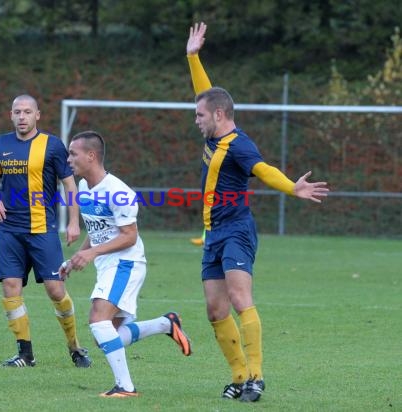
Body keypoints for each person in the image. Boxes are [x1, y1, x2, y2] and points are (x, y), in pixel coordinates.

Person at [186, 23, 330, 402]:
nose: (196, 119)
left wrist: (292, 187)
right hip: (213, 234)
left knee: (238, 298)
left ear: (217, 115)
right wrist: (193, 57)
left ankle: (256, 377)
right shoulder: (215, 132)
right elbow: (206, 93)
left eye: (200, 115)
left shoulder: (239, 145)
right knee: (215, 309)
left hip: (236, 230)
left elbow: (263, 170)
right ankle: (237, 376)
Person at [62, 130, 192, 398]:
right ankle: (166, 324)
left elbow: (129, 236)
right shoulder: (85, 188)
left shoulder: (119, 192)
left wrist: (93, 254)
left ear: (91, 155)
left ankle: (126, 387)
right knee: (109, 335)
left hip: (125, 263)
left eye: (73, 153)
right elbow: (98, 230)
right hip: (109, 264)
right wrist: (79, 256)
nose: (68, 159)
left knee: (98, 320)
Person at [0, 94, 91, 369]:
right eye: (17, 112)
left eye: (27, 112)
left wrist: (73, 222)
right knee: (10, 288)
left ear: (37, 115)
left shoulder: (52, 145)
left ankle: (75, 346)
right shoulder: (1, 144)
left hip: (43, 229)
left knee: (56, 291)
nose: (22, 116)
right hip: (9, 231)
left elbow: (70, 185)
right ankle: (25, 353)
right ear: (11, 115)